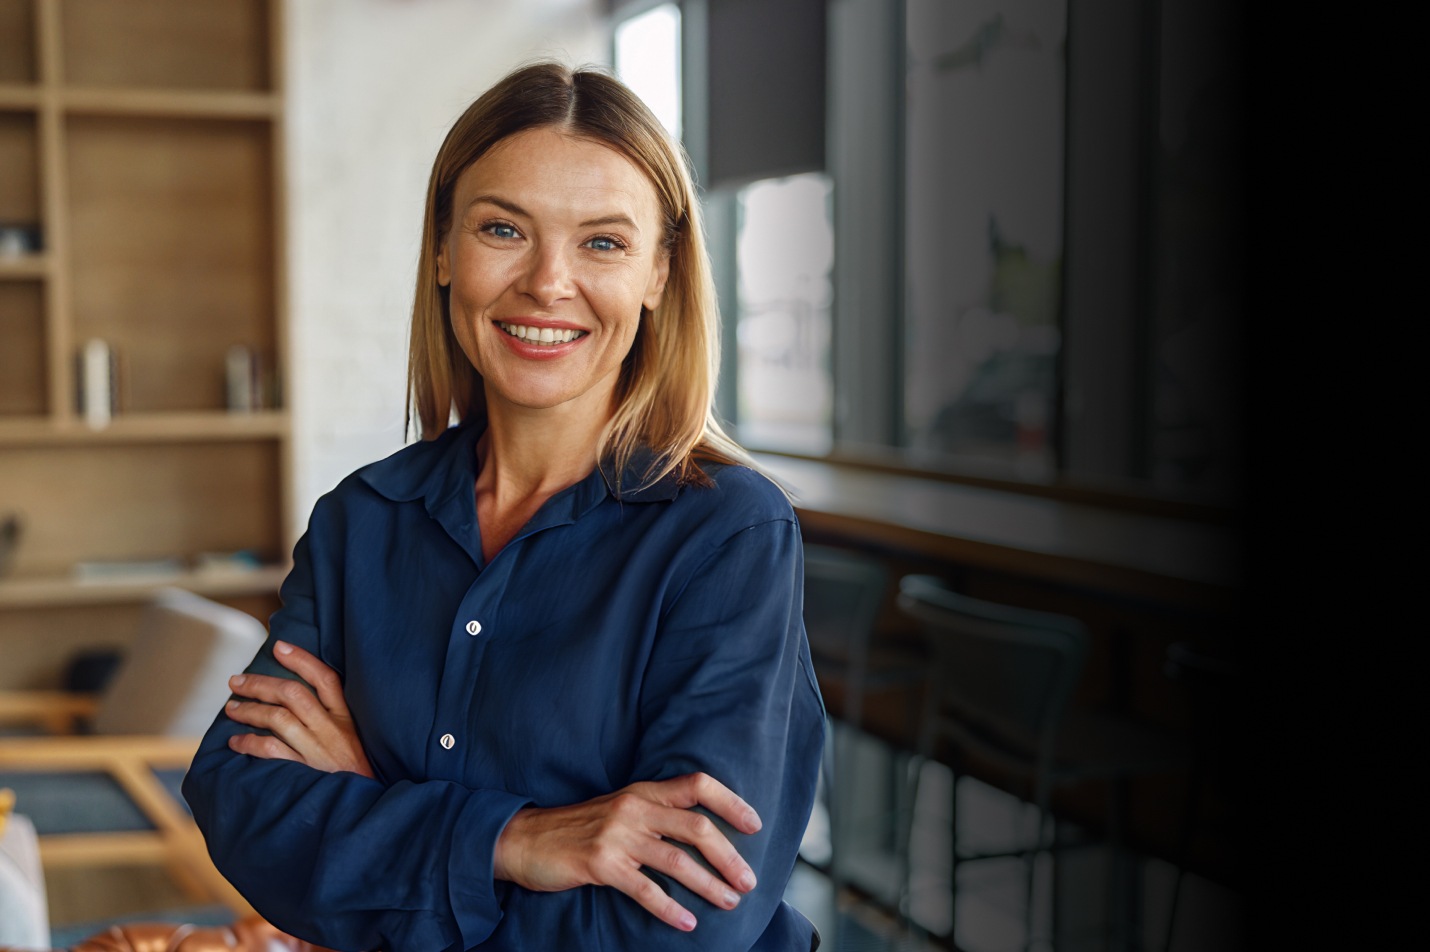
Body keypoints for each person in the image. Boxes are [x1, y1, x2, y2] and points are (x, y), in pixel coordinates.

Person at [182, 61, 825, 952]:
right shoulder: (361, 522)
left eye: (602, 242)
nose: (548, 284)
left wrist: (377, 812)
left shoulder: (727, 535)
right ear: (444, 251)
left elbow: (687, 929)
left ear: (659, 274)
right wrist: (514, 842)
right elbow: (242, 804)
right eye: (502, 229)